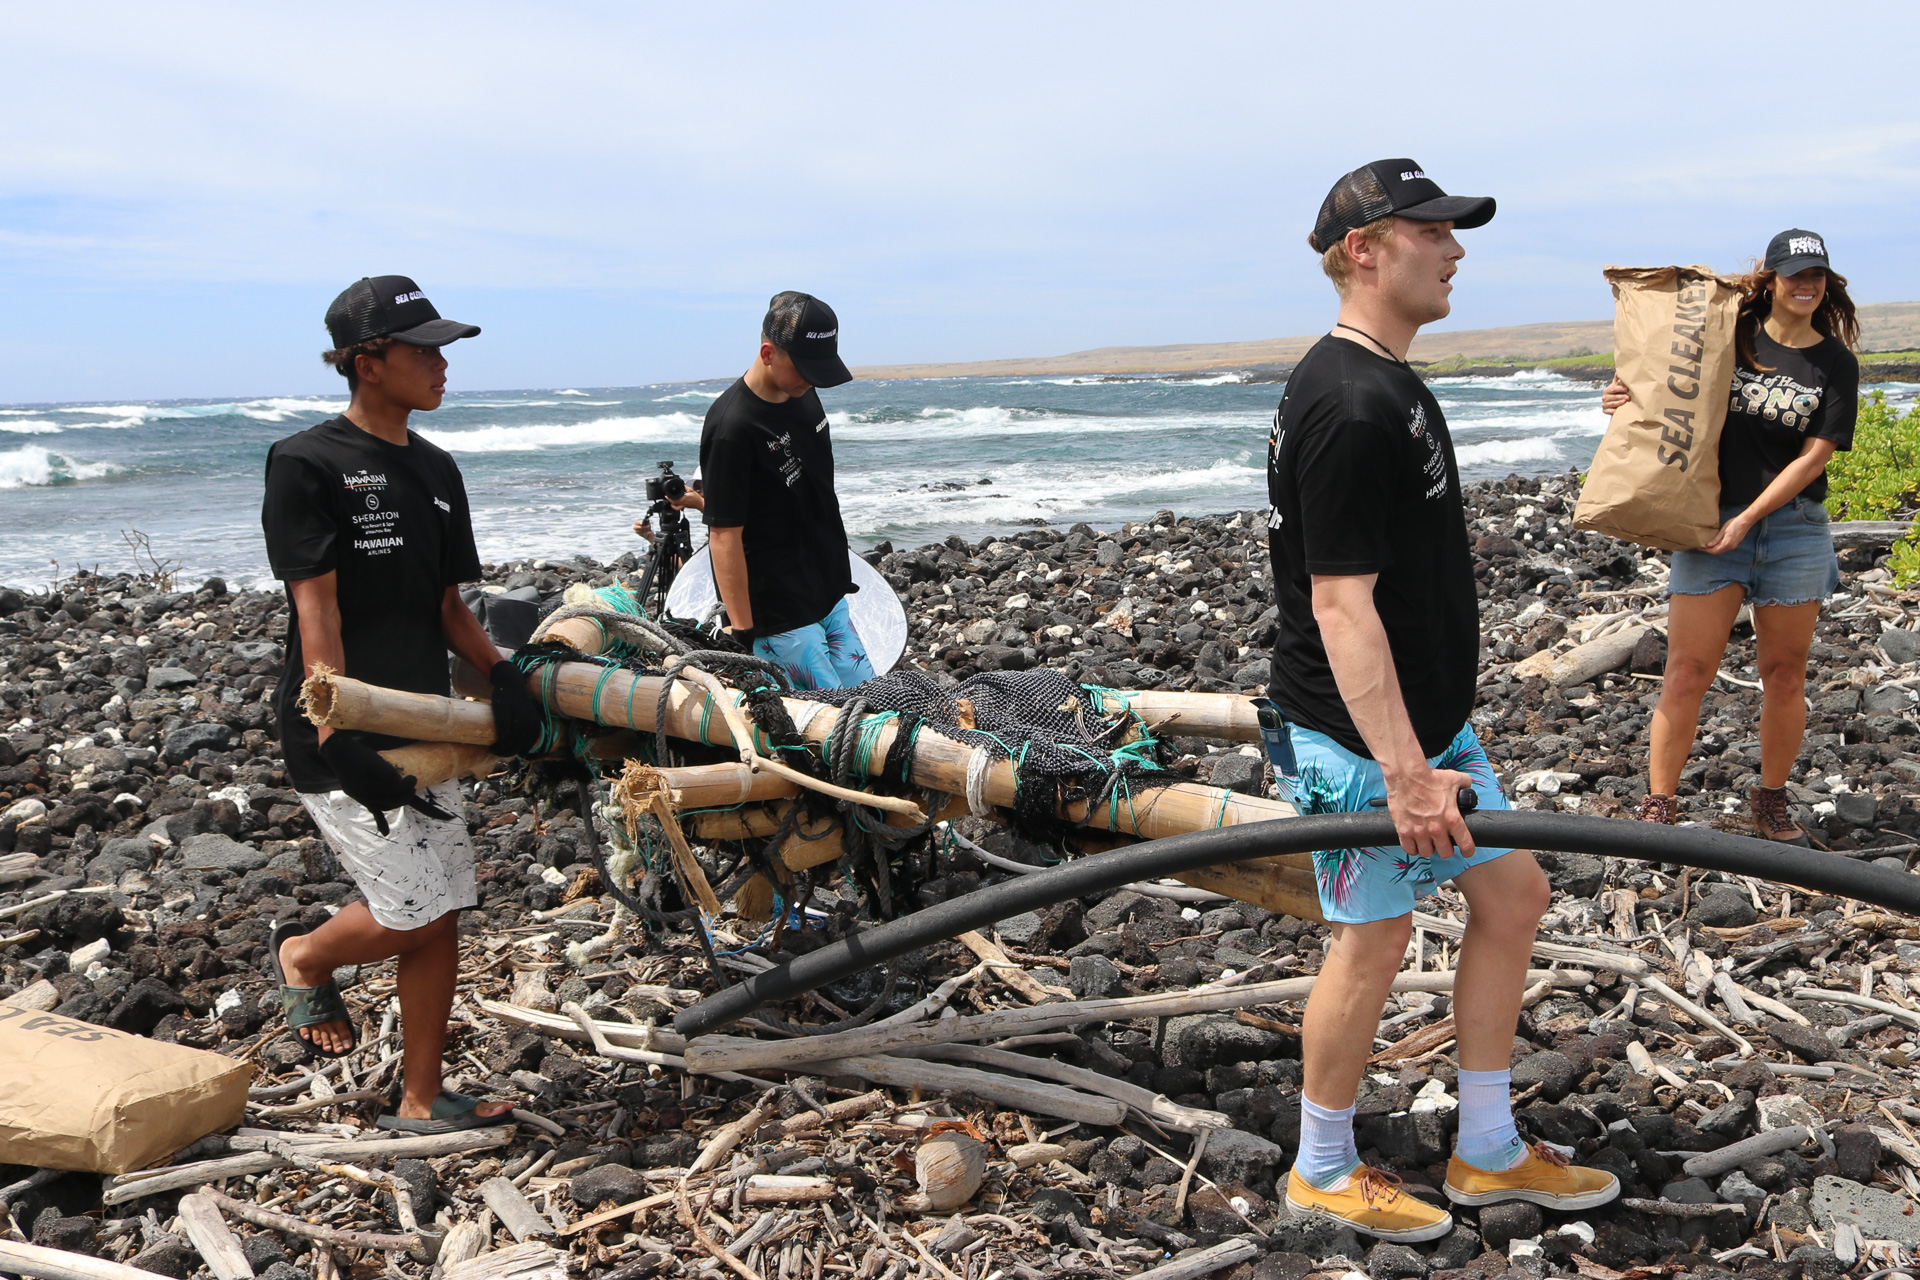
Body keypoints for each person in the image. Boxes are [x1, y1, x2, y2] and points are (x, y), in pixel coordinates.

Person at [1261, 160, 1618, 1240]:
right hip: (1355, 737)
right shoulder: (1350, 400)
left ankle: (1487, 1146)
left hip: (1424, 725)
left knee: (1512, 898)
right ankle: (1321, 1164)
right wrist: (1404, 773)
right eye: (1433, 231)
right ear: (1363, 250)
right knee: (1372, 939)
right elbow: (1338, 604)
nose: (1457, 249)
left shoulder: (1389, 378)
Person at [260, 276, 542, 1133]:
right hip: (340, 733)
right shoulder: (307, 463)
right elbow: (319, 610)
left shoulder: (436, 467)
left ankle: (423, 1098)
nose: (443, 364)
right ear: (366, 362)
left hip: (426, 728)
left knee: (443, 910)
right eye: (424, 350)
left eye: (444, 348)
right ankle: (306, 956)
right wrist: (334, 724)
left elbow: (449, 606)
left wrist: (504, 675)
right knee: (410, 912)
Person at [1604, 231, 1859, 842]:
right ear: (1769, 277)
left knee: (1786, 674)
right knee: (1688, 670)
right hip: (1708, 521)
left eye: (1817, 274)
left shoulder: (1834, 363)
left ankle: (1769, 800)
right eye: (1795, 273)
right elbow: (1671, 388)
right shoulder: (1731, 334)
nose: (1807, 284)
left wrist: (1749, 518)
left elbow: (1813, 458)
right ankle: (1660, 805)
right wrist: (1623, 396)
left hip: (1795, 530)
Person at [669, 291, 876, 689]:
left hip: (827, 591)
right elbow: (723, 535)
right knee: (827, 729)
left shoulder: (802, 389)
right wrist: (742, 631)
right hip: (780, 613)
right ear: (768, 353)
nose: (812, 380)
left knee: (872, 700)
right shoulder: (732, 428)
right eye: (805, 368)